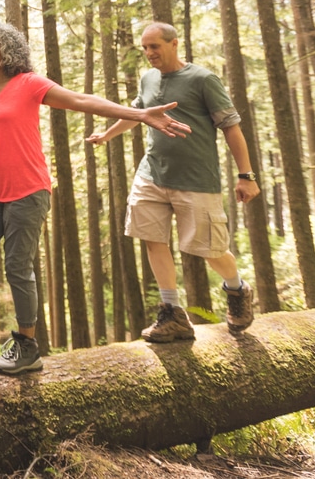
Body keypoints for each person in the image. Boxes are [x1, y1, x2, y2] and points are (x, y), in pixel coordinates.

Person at [0, 21, 190, 374]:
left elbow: (80, 100)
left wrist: (138, 114)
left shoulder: (29, 84)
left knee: (17, 266)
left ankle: (26, 345)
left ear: (7, 50)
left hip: (28, 191)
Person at [87, 21, 260, 343]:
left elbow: (231, 127)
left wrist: (246, 176)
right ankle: (172, 312)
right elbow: (139, 113)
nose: (150, 53)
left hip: (196, 179)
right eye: (145, 48)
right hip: (152, 173)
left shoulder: (202, 79)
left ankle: (237, 289)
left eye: (155, 46)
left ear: (174, 44)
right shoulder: (148, 78)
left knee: (210, 249)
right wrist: (107, 135)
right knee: (152, 238)